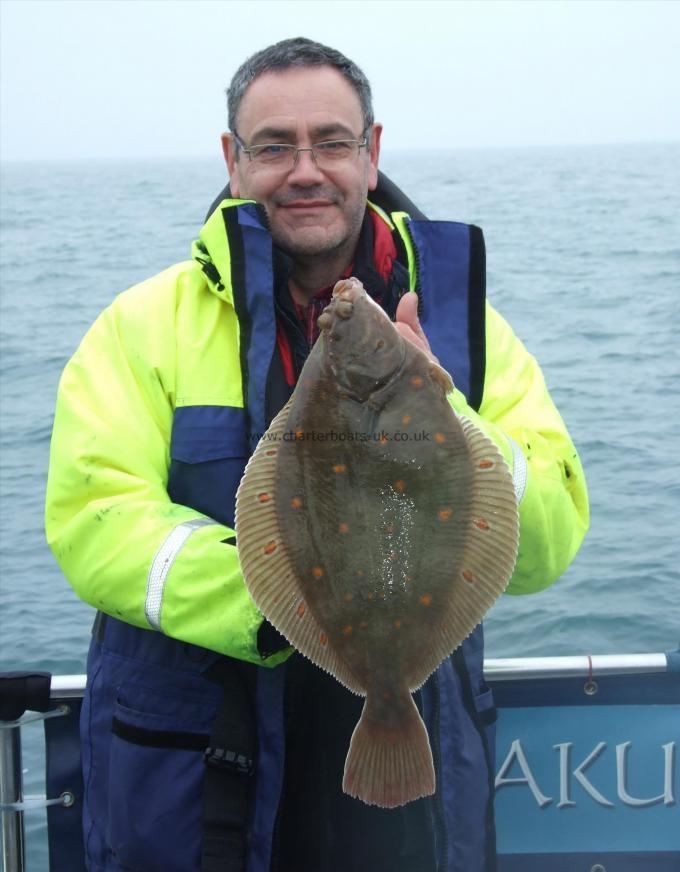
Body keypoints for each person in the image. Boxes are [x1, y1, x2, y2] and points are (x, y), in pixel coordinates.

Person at [45, 37, 589, 872]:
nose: (306, 170)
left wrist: (452, 419)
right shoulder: (142, 327)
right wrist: (280, 603)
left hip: (416, 788)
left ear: (371, 154)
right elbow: (95, 522)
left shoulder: (468, 333)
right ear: (233, 162)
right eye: (274, 146)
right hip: (205, 766)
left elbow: (548, 542)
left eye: (332, 142)